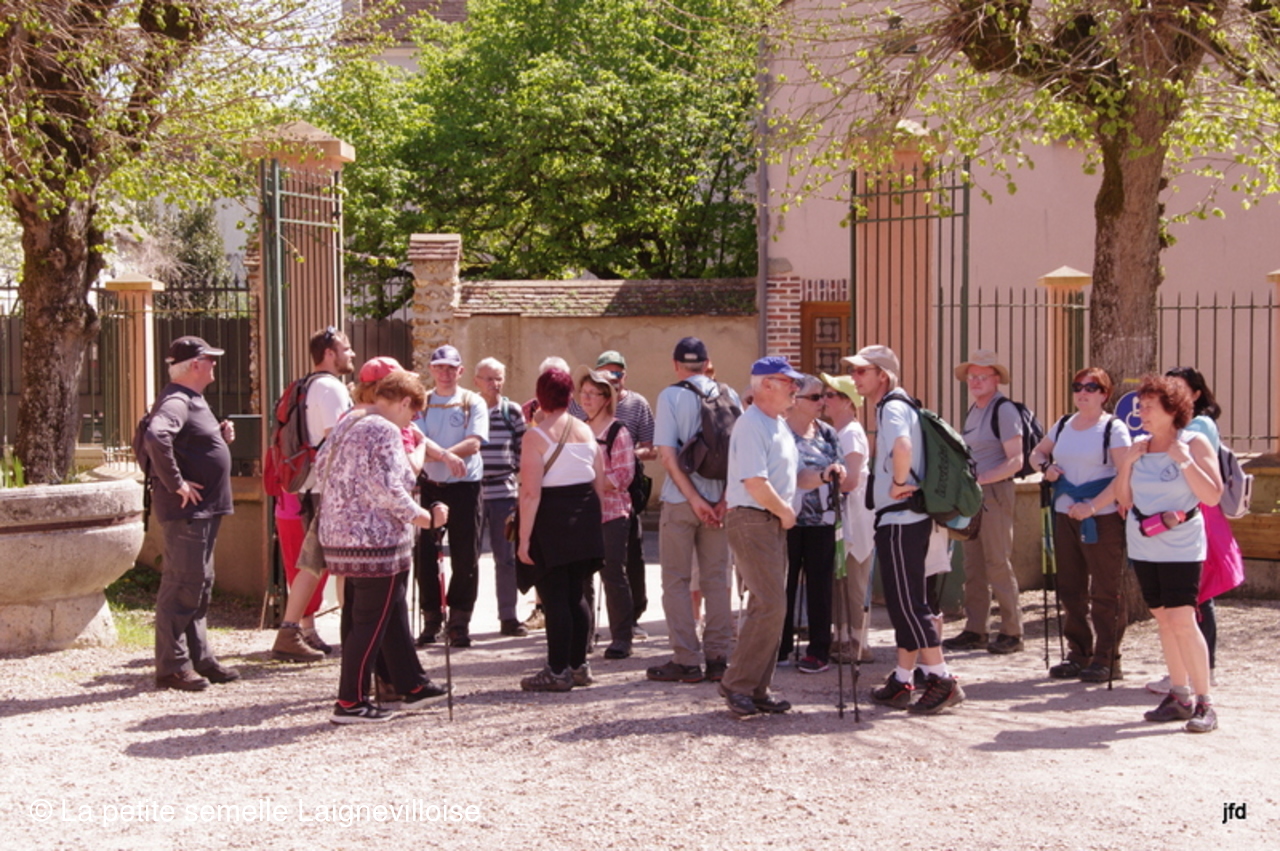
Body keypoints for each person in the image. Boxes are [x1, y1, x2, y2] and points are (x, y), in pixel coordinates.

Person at [315, 370, 450, 723]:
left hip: (339, 537)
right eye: (413, 412)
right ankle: (350, 702)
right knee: (369, 623)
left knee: (382, 613)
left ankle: (411, 684)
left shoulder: (349, 420)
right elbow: (391, 486)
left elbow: (320, 466)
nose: (412, 421)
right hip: (377, 541)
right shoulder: (384, 429)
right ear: (404, 402)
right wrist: (426, 518)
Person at [851, 344, 964, 715]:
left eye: (862, 371)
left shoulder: (892, 407)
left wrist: (899, 482)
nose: (855, 377)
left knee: (909, 604)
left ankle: (942, 679)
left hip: (901, 519)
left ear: (882, 376)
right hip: (907, 519)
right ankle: (903, 679)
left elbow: (902, 446)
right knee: (907, 602)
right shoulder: (901, 405)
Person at [1115, 374, 1223, 733]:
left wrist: (1185, 462)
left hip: (1181, 546)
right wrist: (1127, 464)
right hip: (1144, 544)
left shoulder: (1193, 442)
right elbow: (1123, 499)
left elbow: (1212, 496)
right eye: (1140, 406)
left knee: (1182, 619)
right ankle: (1179, 696)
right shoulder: (1139, 446)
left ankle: (1205, 702)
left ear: (1172, 409)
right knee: (1163, 619)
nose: (1141, 413)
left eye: (1149, 407)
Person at [142, 336, 240, 691]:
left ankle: (199, 658)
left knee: (199, 584)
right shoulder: (177, 400)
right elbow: (157, 436)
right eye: (209, 359)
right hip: (189, 511)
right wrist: (177, 484)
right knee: (183, 585)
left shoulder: (190, 399)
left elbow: (189, 444)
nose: (214, 364)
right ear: (195, 365)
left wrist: (219, 437)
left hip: (201, 510)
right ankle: (172, 666)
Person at [1028, 367, 1132, 682]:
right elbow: (1037, 453)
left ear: (1104, 394)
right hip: (1065, 515)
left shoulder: (1113, 428)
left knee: (1105, 589)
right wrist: (1045, 467)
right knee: (1070, 587)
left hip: (1102, 518)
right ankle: (1078, 653)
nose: (1082, 393)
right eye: (1078, 387)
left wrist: (1093, 506)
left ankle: (1107, 658)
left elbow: (1124, 475)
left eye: (1091, 387)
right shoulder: (1063, 424)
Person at [649, 337, 741, 683]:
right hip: (720, 502)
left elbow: (667, 457)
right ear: (706, 363)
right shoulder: (730, 395)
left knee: (676, 580)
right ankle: (718, 657)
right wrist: (723, 499)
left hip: (680, 500)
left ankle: (686, 659)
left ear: (676, 365)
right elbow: (740, 454)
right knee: (717, 579)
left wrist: (694, 499)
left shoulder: (670, 396)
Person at [1145, 366, 1238, 693]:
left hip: (1195, 513)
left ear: (1196, 394)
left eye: (1178, 388)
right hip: (1176, 515)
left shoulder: (1197, 428)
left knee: (1198, 594)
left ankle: (1201, 671)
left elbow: (1196, 475)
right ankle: (1186, 672)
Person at [718, 356, 802, 717]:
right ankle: (738, 684)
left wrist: (825, 474)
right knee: (770, 603)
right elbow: (755, 482)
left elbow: (791, 476)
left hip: (768, 520)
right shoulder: (752, 424)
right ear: (766, 384)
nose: (796, 388)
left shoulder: (778, 424)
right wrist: (785, 512)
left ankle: (756, 688)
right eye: (789, 381)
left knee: (768, 605)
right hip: (753, 519)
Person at [516, 368, 607, 691]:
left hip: (552, 518)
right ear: (570, 396)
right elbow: (599, 482)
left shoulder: (535, 437)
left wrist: (524, 539)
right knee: (575, 593)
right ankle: (578, 665)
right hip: (585, 513)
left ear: (540, 396)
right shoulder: (586, 431)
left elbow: (530, 493)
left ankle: (557, 670)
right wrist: (594, 522)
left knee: (555, 597)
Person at [270, 326, 356, 663]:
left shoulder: (306, 385)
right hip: (327, 489)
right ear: (330, 353)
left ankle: (297, 630)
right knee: (338, 564)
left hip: (309, 486)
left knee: (316, 563)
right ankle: (345, 632)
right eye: (346, 349)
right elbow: (339, 440)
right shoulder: (331, 388)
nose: (351, 353)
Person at [943, 349, 1026, 655]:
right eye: (972, 376)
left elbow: (1016, 461)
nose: (975, 381)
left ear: (996, 379)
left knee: (997, 563)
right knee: (973, 565)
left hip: (994, 494)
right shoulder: (975, 410)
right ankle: (975, 629)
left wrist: (982, 479)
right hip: (973, 497)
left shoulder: (1004, 410)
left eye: (982, 376)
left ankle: (1012, 632)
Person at [413, 344, 488, 648]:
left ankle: (459, 621)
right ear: (431, 369)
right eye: (439, 367)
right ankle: (432, 618)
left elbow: (474, 443)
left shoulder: (472, 401)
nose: (444, 373)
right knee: (425, 556)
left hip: (465, 486)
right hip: (431, 485)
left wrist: (444, 455)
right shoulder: (422, 402)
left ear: (460, 371)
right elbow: (418, 441)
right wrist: (445, 457)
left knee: (466, 555)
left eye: (450, 368)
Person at [778, 374, 845, 673]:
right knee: (784, 584)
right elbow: (786, 476)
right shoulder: (779, 432)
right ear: (796, 400)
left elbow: (841, 468)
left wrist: (837, 473)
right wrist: (820, 476)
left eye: (825, 396)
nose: (823, 402)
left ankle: (819, 650)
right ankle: (779, 646)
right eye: (816, 397)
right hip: (786, 519)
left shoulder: (827, 433)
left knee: (820, 586)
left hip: (822, 520)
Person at [576, 366, 636, 659]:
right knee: (582, 578)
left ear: (606, 398)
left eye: (593, 393)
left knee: (612, 575)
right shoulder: (577, 429)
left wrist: (588, 479)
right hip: (582, 514)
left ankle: (622, 638)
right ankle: (583, 637)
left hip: (612, 514)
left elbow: (623, 477)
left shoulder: (618, 431)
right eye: (583, 393)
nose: (586, 399)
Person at [596, 350, 656, 639]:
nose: (613, 379)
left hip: (629, 485)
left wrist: (626, 455)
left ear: (625, 376)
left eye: (617, 373)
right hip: (595, 487)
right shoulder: (586, 404)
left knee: (632, 554)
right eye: (606, 374)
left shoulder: (638, 404)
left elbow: (651, 447)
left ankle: (633, 616)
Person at [819, 372, 875, 664]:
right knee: (839, 581)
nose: (824, 400)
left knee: (854, 582)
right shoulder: (836, 432)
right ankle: (841, 639)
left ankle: (858, 643)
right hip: (841, 517)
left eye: (830, 395)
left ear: (847, 402)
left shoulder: (851, 433)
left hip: (855, 518)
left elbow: (851, 480)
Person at [474, 357, 529, 637]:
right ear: (476, 381)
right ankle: (460, 622)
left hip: (503, 494)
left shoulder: (512, 411)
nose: (493, 384)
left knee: (506, 558)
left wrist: (518, 485)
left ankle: (508, 617)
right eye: (488, 378)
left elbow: (523, 450)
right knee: (467, 558)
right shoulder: (468, 410)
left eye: (498, 378)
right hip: (472, 493)